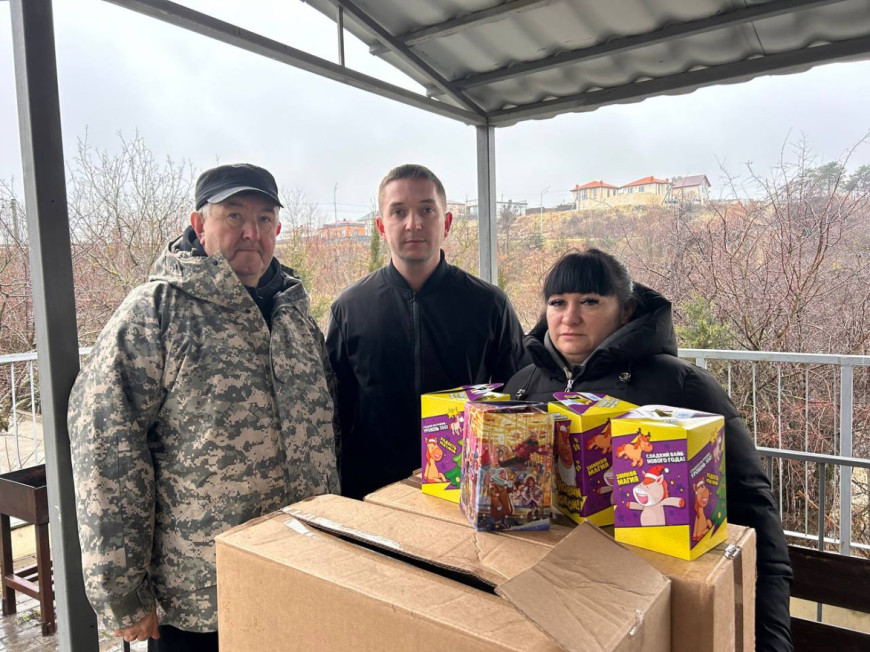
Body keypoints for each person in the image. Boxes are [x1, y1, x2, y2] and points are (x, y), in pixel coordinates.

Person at [68, 163, 340, 651]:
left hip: (302, 576)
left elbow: (328, 431)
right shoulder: (154, 314)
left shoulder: (294, 315)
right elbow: (106, 452)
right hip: (202, 599)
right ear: (199, 225)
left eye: (263, 218)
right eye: (234, 215)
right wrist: (122, 594)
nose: (251, 232)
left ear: (277, 229)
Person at [504, 248, 793, 651]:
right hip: (549, 607)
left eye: (590, 301)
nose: (570, 317)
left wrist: (771, 638)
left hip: (659, 613)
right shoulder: (521, 386)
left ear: (626, 310)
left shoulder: (683, 388)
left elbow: (754, 511)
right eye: (557, 302)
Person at [327, 163, 526, 499]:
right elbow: (335, 411)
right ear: (381, 227)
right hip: (372, 494)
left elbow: (518, 398)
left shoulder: (489, 304)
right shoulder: (349, 307)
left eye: (426, 210)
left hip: (466, 491)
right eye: (398, 212)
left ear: (446, 223)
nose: (413, 224)